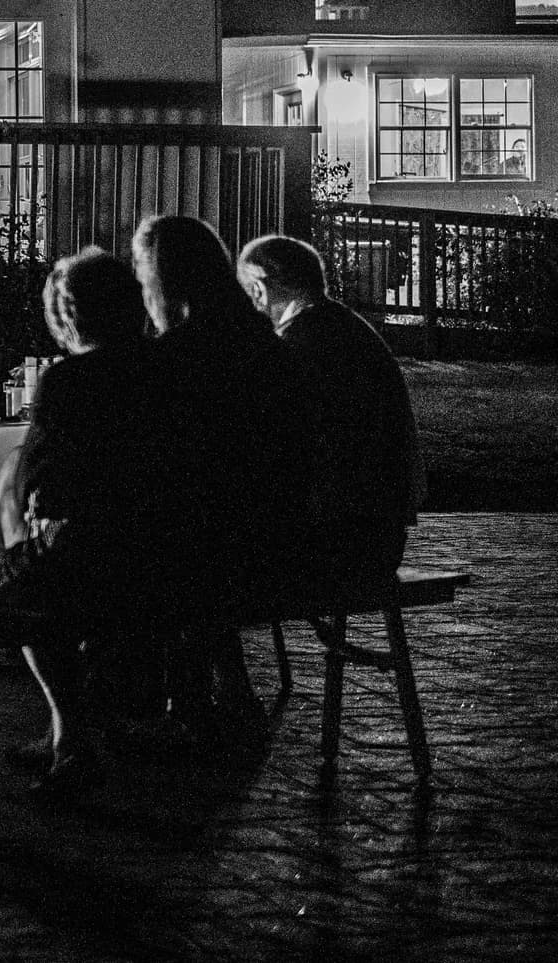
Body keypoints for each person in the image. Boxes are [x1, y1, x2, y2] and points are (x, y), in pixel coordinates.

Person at [0, 247, 164, 794]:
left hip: (93, 556)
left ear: (69, 313)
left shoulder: (68, 382)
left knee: (16, 592)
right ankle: (71, 730)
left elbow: (43, 481)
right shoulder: (163, 371)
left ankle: (70, 737)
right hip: (166, 551)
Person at [130, 214, 317, 744]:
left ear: (165, 281)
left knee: (145, 535)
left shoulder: (179, 357)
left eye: (145, 277)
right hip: (282, 526)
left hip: (234, 545)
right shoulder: (259, 341)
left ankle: (168, 705)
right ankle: (225, 690)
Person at [238, 233, 422, 586]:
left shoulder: (297, 344)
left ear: (259, 288)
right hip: (381, 539)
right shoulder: (352, 330)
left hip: (331, 541)